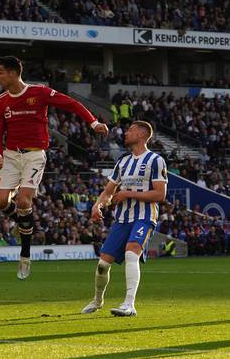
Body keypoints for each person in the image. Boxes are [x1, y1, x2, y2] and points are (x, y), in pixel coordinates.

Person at [0, 56, 108, 280]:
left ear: (14, 73)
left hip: (34, 154)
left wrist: (93, 122)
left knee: (25, 201)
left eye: (0, 72)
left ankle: (25, 254)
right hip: (10, 156)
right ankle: (20, 221)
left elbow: (72, 103)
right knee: (0, 201)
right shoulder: (1, 102)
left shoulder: (39, 93)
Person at [81, 121, 167, 316]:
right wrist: (98, 205)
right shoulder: (122, 162)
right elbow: (108, 191)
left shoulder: (155, 160)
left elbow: (160, 194)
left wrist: (128, 194)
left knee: (131, 253)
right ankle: (97, 300)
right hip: (122, 219)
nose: (126, 133)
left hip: (144, 217)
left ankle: (129, 304)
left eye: (130, 130)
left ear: (142, 135)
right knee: (103, 264)